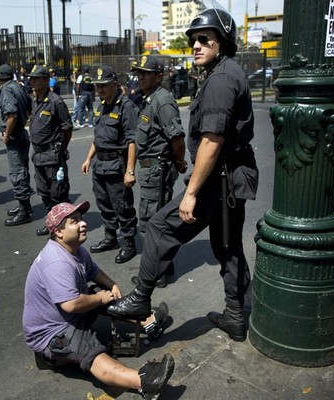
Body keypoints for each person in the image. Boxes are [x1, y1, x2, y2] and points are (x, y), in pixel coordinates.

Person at [107, 8, 259, 344]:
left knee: (161, 226)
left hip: (219, 180)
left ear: (223, 41)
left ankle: (141, 297)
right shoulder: (225, 72)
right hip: (231, 179)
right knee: (228, 246)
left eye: (205, 38)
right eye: (194, 40)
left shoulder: (221, 79)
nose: (196, 45)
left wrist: (191, 192)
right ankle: (235, 316)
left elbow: (212, 139)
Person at [22, 201, 174, 399]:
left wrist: (111, 286)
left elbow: (92, 271)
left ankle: (148, 321)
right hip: (52, 334)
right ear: (58, 232)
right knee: (90, 347)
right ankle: (145, 382)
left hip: (70, 315)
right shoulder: (56, 262)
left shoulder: (75, 249)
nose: (83, 224)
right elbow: (71, 304)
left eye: (81, 219)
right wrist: (101, 298)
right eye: (74, 222)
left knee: (99, 292)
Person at [129, 55, 188, 288]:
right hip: (150, 170)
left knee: (152, 221)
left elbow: (177, 138)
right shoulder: (149, 99)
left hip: (157, 171)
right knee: (155, 219)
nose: (140, 76)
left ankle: (156, 273)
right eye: (139, 73)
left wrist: (178, 161)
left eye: (145, 72)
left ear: (158, 75)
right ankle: (163, 265)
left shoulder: (161, 101)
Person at [81, 65, 139, 264]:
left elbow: (133, 140)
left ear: (115, 84)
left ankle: (129, 243)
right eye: (98, 86)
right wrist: (89, 158)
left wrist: (130, 171)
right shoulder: (102, 106)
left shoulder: (126, 107)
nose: (100, 90)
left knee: (122, 206)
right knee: (104, 204)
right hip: (100, 165)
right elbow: (98, 138)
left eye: (104, 85)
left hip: (117, 165)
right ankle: (111, 238)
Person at [27, 65, 73, 236]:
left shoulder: (56, 102)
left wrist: (61, 148)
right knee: (44, 192)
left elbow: (67, 128)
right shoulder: (35, 100)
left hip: (53, 156)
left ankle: (66, 225)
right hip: (38, 156)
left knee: (58, 194)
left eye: (36, 78)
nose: (32, 81)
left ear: (46, 80)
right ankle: (52, 224)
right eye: (31, 78)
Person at [0, 64, 34, 225]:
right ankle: (25, 205)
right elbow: (28, 108)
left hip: (15, 136)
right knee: (22, 170)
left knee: (17, 172)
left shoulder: (7, 90)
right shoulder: (18, 87)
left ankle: (24, 210)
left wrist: (7, 134)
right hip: (21, 133)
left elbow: (11, 115)